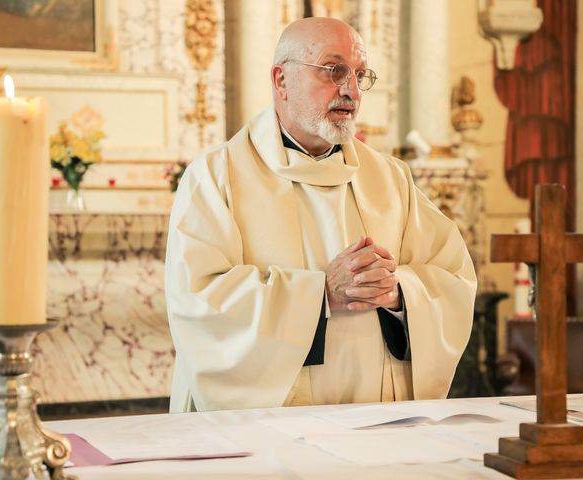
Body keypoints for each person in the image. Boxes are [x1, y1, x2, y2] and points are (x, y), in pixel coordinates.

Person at [165, 17, 477, 412]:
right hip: (270, 432)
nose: (351, 91)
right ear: (281, 81)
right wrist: (322, 293)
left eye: (360, 75)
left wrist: (400, 292)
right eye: (334, 71)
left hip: (377, 424)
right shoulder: (216, 177)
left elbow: (453, 276)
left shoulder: (389, 177)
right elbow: (199, 302)